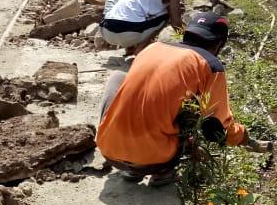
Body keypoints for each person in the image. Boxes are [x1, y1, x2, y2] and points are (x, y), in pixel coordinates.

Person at [97, 12, 266, 186]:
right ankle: (162, 172)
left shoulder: (152, 48)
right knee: (192, 110)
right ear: (219, 44)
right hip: (155, 160)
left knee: (118, 77)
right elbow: (217, 128)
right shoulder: (210, 64)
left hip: (109, 150)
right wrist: (242, 136)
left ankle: (128, 163)